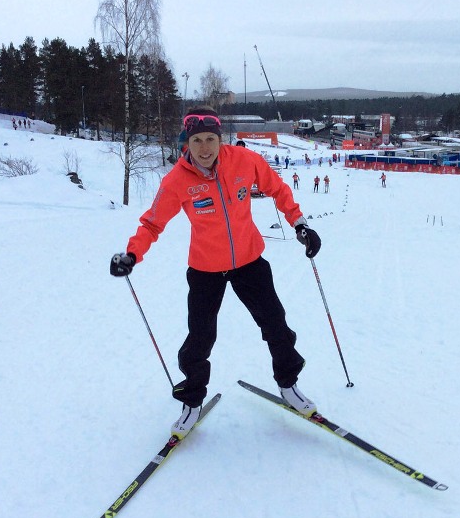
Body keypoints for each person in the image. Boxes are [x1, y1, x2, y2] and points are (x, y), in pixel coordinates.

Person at [110, 107, 322, 439]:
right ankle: (192, 402)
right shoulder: (176, 181)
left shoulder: (245, 161)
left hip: (250, 261)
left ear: (220, 139)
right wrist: (132, 254)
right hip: (205, 268)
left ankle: (288, 385)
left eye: (211, 139)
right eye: (197, 141)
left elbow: (278, 190)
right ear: (187, 142)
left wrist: (300, 224)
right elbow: (152, 224)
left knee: (276, 325)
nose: (205, 148)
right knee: (199, 339)